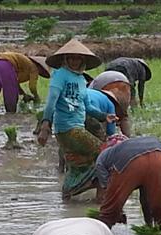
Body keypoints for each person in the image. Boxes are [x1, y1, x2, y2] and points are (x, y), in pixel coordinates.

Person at [36, 39, 115, 200]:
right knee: (105, 154)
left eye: (77, 58)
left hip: (77, 127)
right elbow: (51, 101)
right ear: (65, 59)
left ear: (83, 60)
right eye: (71, 58)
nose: (74, 61)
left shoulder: (81, 80)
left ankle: (69, 193)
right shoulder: (60, 75)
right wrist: (45, 126)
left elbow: (87, 107)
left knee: (77, 164)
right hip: (67, 128)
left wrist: (104, 116)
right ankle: (101, 197)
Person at [93, 135, 161, 229]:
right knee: (160, 206)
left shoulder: (104, 156)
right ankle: (160, 233)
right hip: (158, 154)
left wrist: (116, 211)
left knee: (108, 213)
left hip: (128, 160)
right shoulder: (129, 144)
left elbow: (108, 189)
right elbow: (146, 198)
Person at [88, 70, 133, 136]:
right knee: (123, 115)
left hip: (105, 84)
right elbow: (110, 131)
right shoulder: (109, 103)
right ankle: (127, 138)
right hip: (124, 81)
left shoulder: (89, 90)